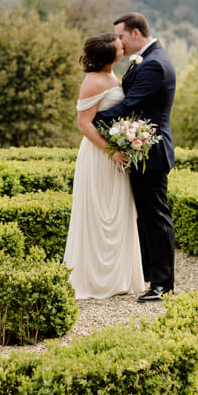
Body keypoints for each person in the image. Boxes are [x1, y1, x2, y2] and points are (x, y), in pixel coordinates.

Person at [94, 12, 177, 303]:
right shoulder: (148, 58)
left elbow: (130, 104)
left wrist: (91, 117)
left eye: (120, 36)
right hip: (140, 150)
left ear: (136, 34)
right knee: (146, 216)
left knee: (156, 217)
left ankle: (163, 284)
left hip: (151, 151)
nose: (118, 42)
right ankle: (148, 275)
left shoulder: (154, 64)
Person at [64, 32, 145, 298]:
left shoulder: (112, 76)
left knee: (118, 210)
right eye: (118, 46)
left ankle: (118, 278)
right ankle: (94, 280)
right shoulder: (91, 82)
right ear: (108, 56)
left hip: (116, 155)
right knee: (98, 213)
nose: (122, 46)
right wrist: (111, 151)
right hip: (99, 156)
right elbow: (83, 124)